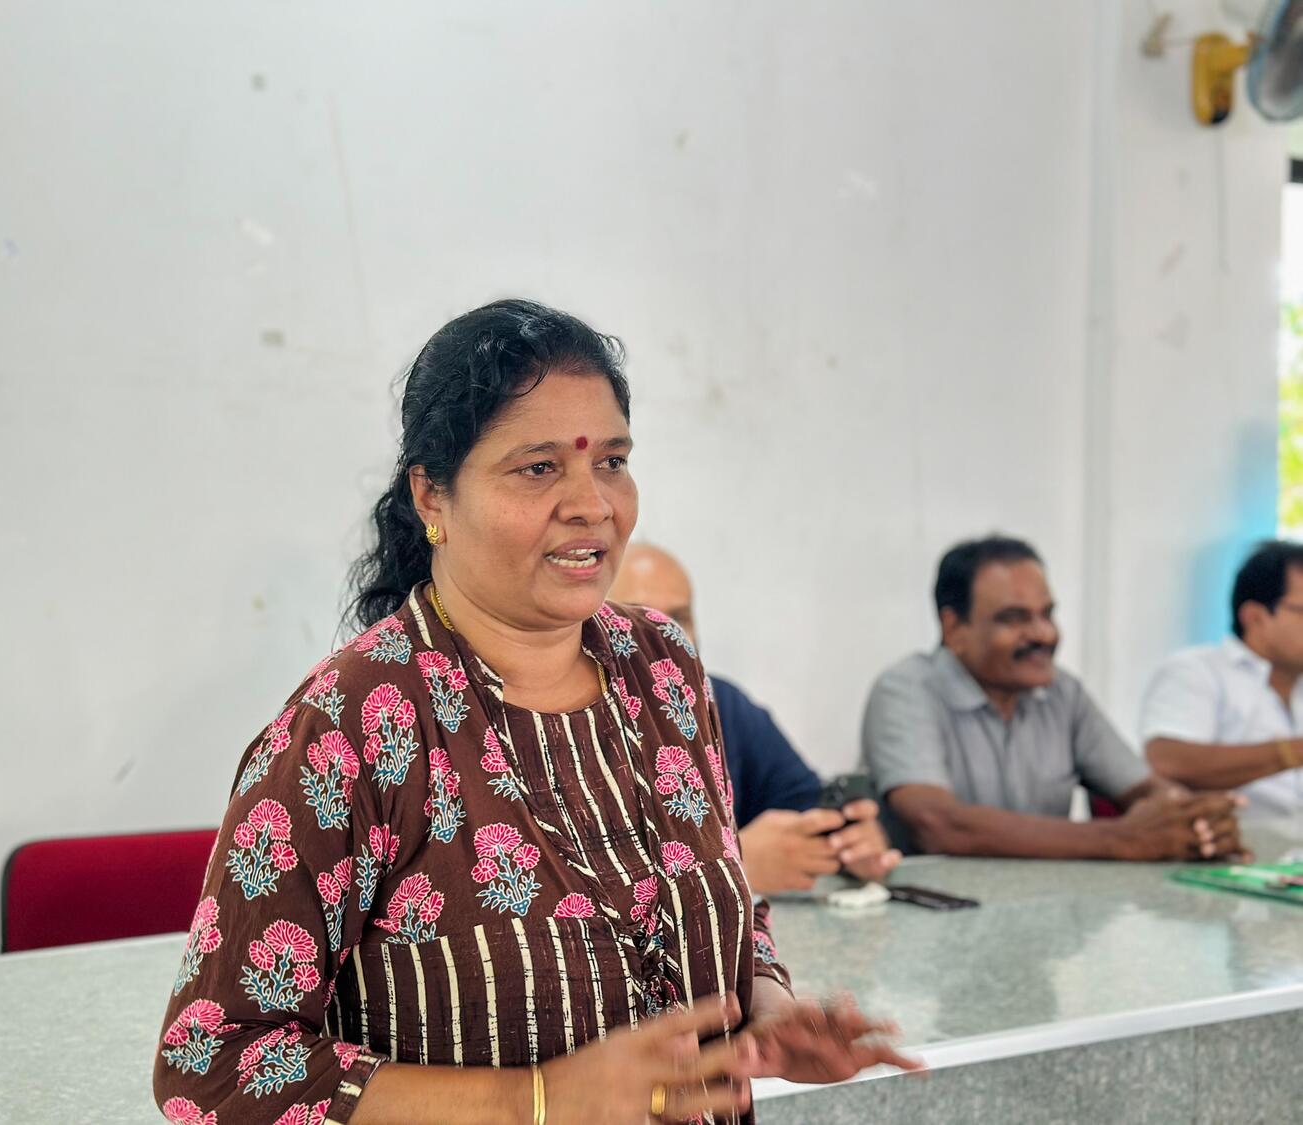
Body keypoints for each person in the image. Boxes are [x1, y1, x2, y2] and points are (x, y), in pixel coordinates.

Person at [153, 300, 916, 1125]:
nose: (593, 503)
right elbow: (211, 1065)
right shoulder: (352, 724)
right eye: (539, 467)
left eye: (612, 461)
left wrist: (766, 1008)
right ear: (432, 497)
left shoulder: (663, 667)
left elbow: (716, 897)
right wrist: (534, 1100)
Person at [861, 535, 1244, 860]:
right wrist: (1119, 839)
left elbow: (1143, 789)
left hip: (1048, 908)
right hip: (935, 911)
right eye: (1014, 618)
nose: (1043, 634)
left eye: (1047, 614)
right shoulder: (907, 690)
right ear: (954, 628)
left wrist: (1191, 820)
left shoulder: (1063, 693)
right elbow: (936, 823)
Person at [608, 543, 901, 895]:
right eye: (639, 619)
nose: (665, 637)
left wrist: (848, 844)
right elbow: (568, 897)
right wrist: (733, 869)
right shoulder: (563, 726)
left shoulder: (723, 704)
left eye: (679, 618)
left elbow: (804, 805)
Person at [1139, 540, 1303, 817]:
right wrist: (1291, 752)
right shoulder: (1197, 671)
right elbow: (1167, 761)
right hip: (1235, 841)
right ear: (1255, 617)